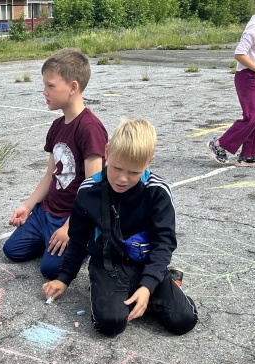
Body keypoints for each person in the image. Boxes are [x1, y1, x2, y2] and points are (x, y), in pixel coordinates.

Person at [43, 119, 198, 337]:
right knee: (110, 324)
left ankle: (157, 285)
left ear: (148, 163)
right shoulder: (89, 191)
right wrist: (64, 277)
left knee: (184, 321)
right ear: (107, 152)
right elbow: (77, 240)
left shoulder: (158, 191)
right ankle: (121, 292)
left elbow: (164, 242)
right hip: (109, 264)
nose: (122, 179)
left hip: (146, 262)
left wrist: (148, 284)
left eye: (134, 172)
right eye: (116, 168)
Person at [3, 48, 107, 280]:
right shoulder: (57, 126)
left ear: (73, 87)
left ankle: (84, 241)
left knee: (50, 270)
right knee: (12, 251)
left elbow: (94, 189)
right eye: (44, 86)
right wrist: (28, 206)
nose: (44, 92)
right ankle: (51, 238)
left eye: (51, 86)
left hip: (74, 216)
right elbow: (51, 175)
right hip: (46, 213)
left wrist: (71, 226)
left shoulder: (90, 129)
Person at [206, 0, 255, 168]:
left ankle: (250, 155)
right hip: (248, 77)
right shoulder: (254, 26)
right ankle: (219, 145)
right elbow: (240, 53)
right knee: (252, 117)